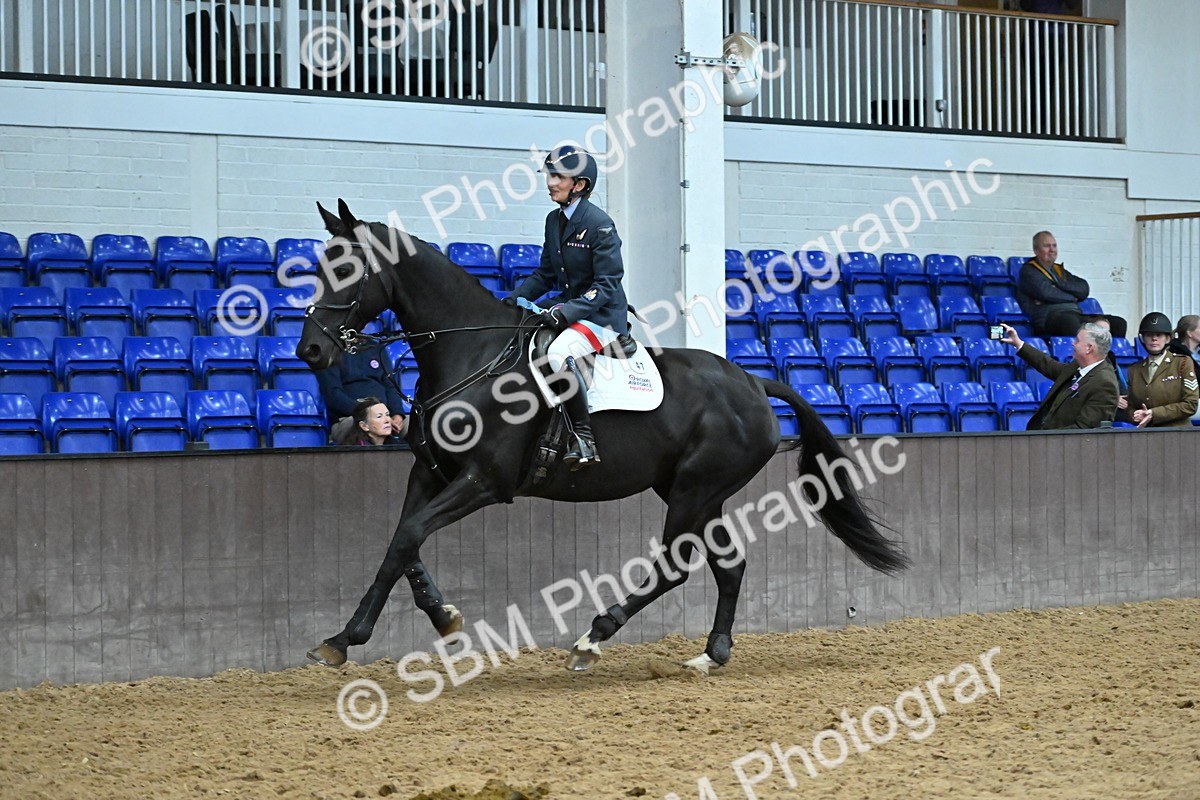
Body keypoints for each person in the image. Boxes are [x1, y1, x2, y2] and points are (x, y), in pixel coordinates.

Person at [503, 145, 630, 470]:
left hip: (602, 316)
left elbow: (607, 284)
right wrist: (511, 300)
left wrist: (566, 313)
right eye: (549, 175)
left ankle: (583, 438)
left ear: (580, 184)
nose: (550, 183)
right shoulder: (554, 220)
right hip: (571, 304)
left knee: (559, 353)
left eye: (557, 176)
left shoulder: (600, 225)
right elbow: (545, 274)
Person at [999, 321, 1119, 430]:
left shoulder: (1104, 383)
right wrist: (1018, 343)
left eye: (1077, 340)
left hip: (1062, 444)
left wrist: (1045, 437)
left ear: (1089, 348)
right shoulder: (1077, 366)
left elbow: (1084, 429)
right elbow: (1049, 365)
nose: (1073, 343)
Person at [1016, 231, 1127, 338]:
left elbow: (1083, 289)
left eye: (1054, 246)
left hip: (1075, 314)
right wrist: (1073, 297)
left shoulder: (1059, 271)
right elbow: (1046, 293)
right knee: (1071, 323)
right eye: (1047, 246)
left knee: (1118, 323)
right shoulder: (1029, 271)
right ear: (1036, 250)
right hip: (1049, 317)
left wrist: (1060, 285)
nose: (1052, 250)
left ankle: (1106, 352)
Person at [315, 341, 408, 444]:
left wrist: (397, 414)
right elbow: (332, 394)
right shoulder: (329, 351)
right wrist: (366, 413)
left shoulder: (376, 347)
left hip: (382, 415)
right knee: (359, 426)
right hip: (348, 418)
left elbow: (391, 385)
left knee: (415, 424)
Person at [1121, 312, 1199, 428]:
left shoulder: (1182, 363)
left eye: (1159, 335)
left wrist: (1154, 413)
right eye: (1149, 335)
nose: (1154, 339)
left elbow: (1190, 404)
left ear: (1167, 339)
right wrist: (1135, 415)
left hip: (1178, 432)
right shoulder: (1134, 370)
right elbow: (1130, 406)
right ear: (1143, 339)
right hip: (1147, 432)